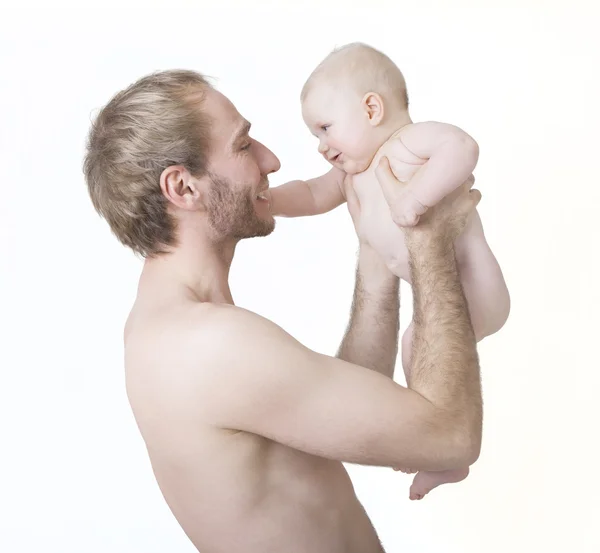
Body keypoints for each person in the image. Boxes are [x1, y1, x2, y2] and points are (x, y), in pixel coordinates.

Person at [83, 69, 483, 553]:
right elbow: (451, 437)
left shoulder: (172, 329)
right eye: (244, 145)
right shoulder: (210, 346)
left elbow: (345, 411)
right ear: (184, 188)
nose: (271, 160)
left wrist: (376, 250)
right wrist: (431, 239)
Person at [267, 42, 510, 499]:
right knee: (414, 345)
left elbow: (462, 147)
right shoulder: (352, 175)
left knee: (418, 346)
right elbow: (313, 194)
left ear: (372, 108)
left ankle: (442, 448)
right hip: (440, 297)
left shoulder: (408, 144)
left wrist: (416, 201)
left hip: (474, 284)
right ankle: (441, 454)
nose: (321, 146)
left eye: (325, 128)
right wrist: (269, 201)